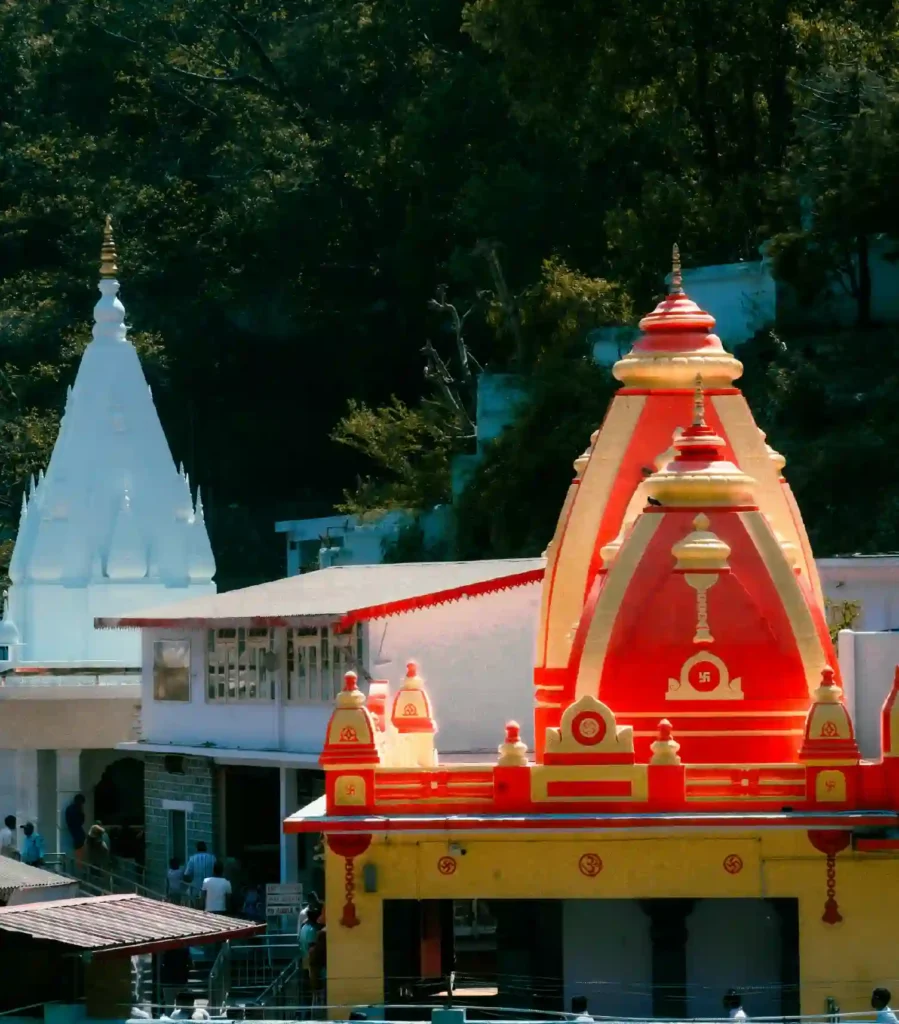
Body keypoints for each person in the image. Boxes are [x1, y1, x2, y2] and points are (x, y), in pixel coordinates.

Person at [160, 947, 191, 1014]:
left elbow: (162, 962)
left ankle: (169, 1020)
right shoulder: (184, 949)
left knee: (169, 1005)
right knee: (181, 1004)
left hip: (168, 981)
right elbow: (191, 963)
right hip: (181, 980)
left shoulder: (166, 949)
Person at [64, 794, 86, 862]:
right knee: (80, 852)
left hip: (74, 831)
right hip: (77, 832)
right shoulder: (76, 809)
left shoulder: (69, 809)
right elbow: (81, 821)